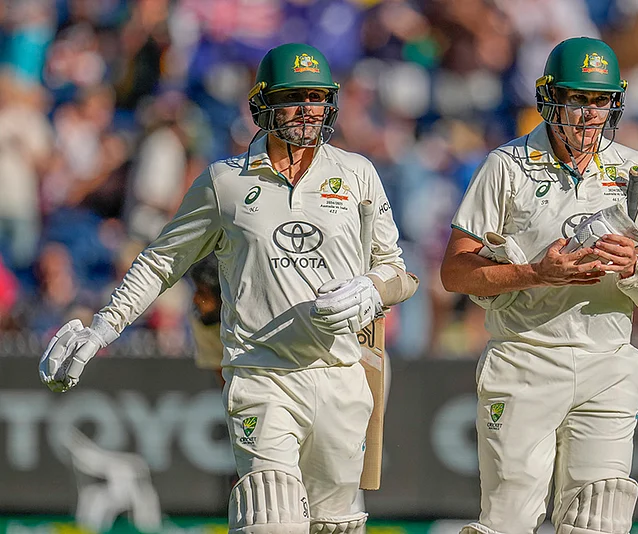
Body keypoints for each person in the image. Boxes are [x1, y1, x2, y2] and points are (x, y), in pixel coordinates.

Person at [39, 42, 418, 534]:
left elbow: (397, 271)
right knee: (272, 519)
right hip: (262, 375)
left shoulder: (357, 173)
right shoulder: (225, 183)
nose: (307, 109)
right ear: (263, 104)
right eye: (293, 97)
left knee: (335, 526)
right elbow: (162, 261)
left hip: (341, 374)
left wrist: (371, 289)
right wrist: (102, 328)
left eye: (317, 97)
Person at [440, 37, 638, 534]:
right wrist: (535, 274)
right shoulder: (506, 165)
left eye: (600, 101)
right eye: (577, 99)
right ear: (550, 98)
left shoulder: (632, 167)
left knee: (599, 517)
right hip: (525, 357)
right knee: (508, 522)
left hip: (608, 362)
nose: (589, 114)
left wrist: (633, 268)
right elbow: (455, 272)